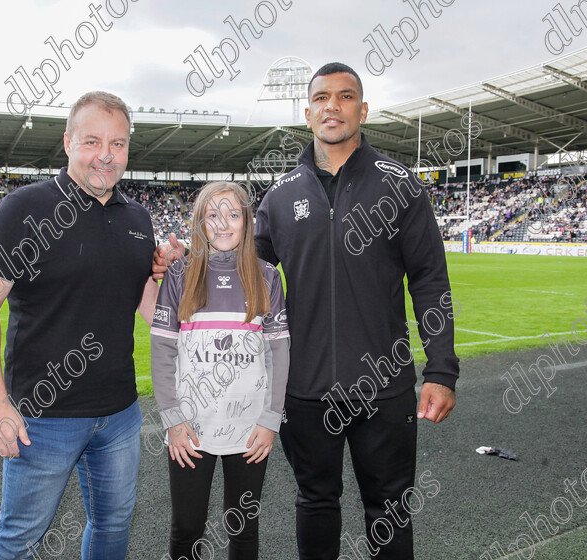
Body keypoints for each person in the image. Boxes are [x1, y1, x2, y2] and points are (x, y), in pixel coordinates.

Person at [153, 63, 459, 560]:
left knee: (389, 510)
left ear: (362, 109)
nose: (331, 107)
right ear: (307, 112)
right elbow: (239, 265)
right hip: (307, 390)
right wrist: (185, 263)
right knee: (316, 502)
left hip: (385, 384)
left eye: (344, 97)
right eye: (321, 98)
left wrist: (441, 369)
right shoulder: (282, 195)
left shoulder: (401, 185)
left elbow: (430, 280)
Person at [0, 91, 159, 560]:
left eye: (118, 144)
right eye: (93, 141)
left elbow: (149, 308)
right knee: (18, 540)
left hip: (119, 414)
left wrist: (168, 276)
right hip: (43, 417)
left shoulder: (137, 218)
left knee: (112, 526)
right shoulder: (25, 208)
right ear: (68, 142)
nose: (106, 155)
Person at [150, 181, 290, 560]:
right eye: (212, 215)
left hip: (250, 429)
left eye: (233, 214)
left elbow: (279, 352)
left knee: (243, 530)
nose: (223, 223)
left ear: (247, 222)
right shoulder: (180, 275)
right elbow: (163, 351)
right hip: (190, 428)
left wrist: (270, 418)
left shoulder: (268, 277)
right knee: (187, 529)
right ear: (199, 222)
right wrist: (173, 419)